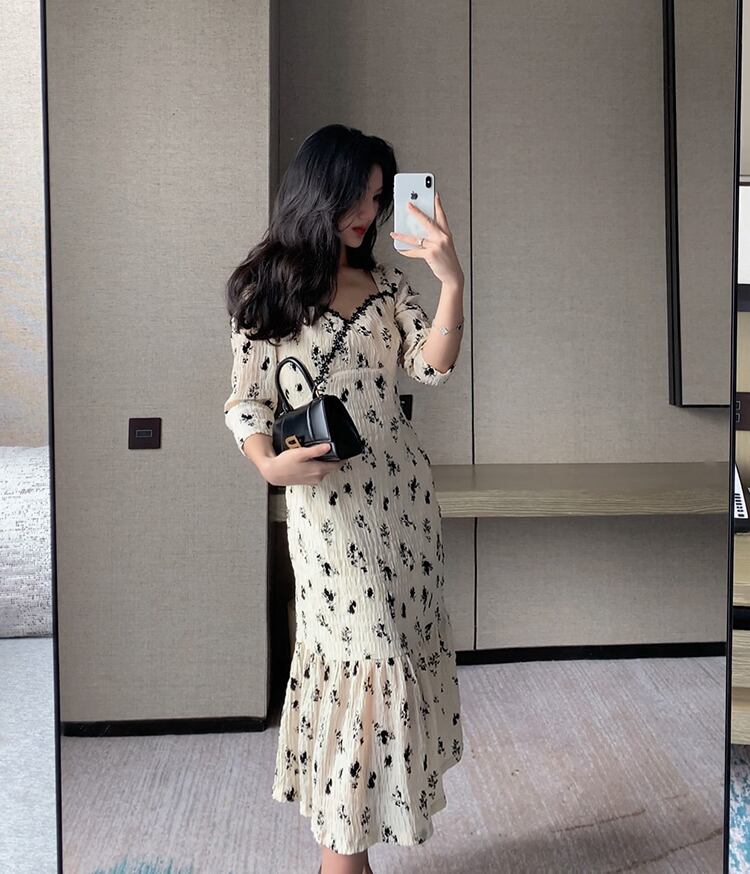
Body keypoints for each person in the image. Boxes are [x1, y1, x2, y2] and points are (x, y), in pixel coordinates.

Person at [223, 124, 465, 874]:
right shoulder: (265, 289)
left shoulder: (388, 286)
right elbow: (246, 402)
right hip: (330, 519)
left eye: (377, 197)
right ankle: (342, 858)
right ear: (318, 191)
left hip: (405, 505)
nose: (369, 213)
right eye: (356, 196)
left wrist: (451, 282)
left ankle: (350, 850)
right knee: (363, 665)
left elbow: (430, 369)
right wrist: (268, 465)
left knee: (393, 660)